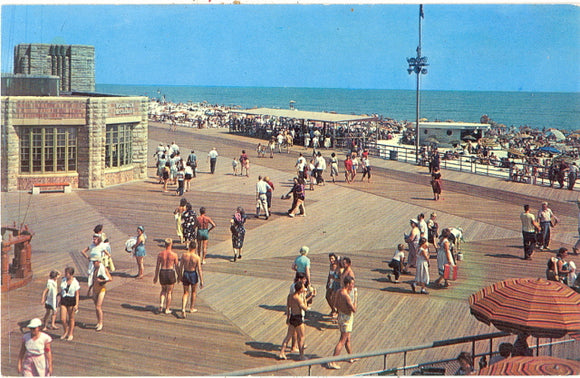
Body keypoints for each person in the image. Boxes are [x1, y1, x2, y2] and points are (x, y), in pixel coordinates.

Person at [326, 276, 358, 370]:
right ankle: (333, 361)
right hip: (347, 319)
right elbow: (354, 309)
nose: (353, 286)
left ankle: (350, 357)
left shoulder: (339, 291)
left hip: (341, 316)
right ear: (347, 284)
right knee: (342, 340)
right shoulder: (347, 296)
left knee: (347, 338)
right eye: (352, 284)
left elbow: (335, 304)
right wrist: (355, 297)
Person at [278, 281, 309, 361]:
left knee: (288, 336)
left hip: (292, 317)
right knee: (301, 337)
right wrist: (305, 298)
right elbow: (304, 308)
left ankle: (282, 352)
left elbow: (288, 307)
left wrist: (288, 318)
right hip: (298, 318)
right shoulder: (298, 298)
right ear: (300, 289)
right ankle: (301, 355)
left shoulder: (290, 296)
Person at [153, 238, 179, 314]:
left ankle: (161, 304)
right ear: (171, 244)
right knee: (169, 292)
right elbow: (177, 266)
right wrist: (179, 275)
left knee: (163, 290)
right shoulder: (174, 255)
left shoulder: (160, 254)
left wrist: (155, 277)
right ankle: (167, 309)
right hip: (170, 272)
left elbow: (157, 266)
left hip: (163, 272)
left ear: (165, 244)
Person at [178, 240, 204, 318]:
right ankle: (191, 308)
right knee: (193, 292)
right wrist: (201, 280)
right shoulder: (197, 257)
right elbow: (199, 269)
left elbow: (180, 266)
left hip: (185, 273)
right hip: (193, 274)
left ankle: (183, 308)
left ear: (189, 247)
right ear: (195, 248)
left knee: (185, 293)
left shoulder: (184, 255)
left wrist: (179, 276)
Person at [90, 258, 112, 331]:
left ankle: (101, 323)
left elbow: (110, 279)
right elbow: (93, 279)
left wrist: (102, 280)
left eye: (94, 262)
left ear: (98, 262)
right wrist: (90, 289)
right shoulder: (94, 269)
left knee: (98, 307)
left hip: (101, 289)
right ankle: (98, 322)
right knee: (96, 307)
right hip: (95, 289)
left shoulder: (103, 269)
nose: (93, 263)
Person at [59, 267, 80, 341]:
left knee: (71, 318)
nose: (65, 274)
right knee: (62, 319)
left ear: (71, 274)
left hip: (71, 299)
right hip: (64, 299)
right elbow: (61, 291)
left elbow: (77, 294)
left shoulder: (75, 282)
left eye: (66, 273)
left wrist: (76, 304)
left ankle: (70, 333)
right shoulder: (63, 280)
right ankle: (65, 330)